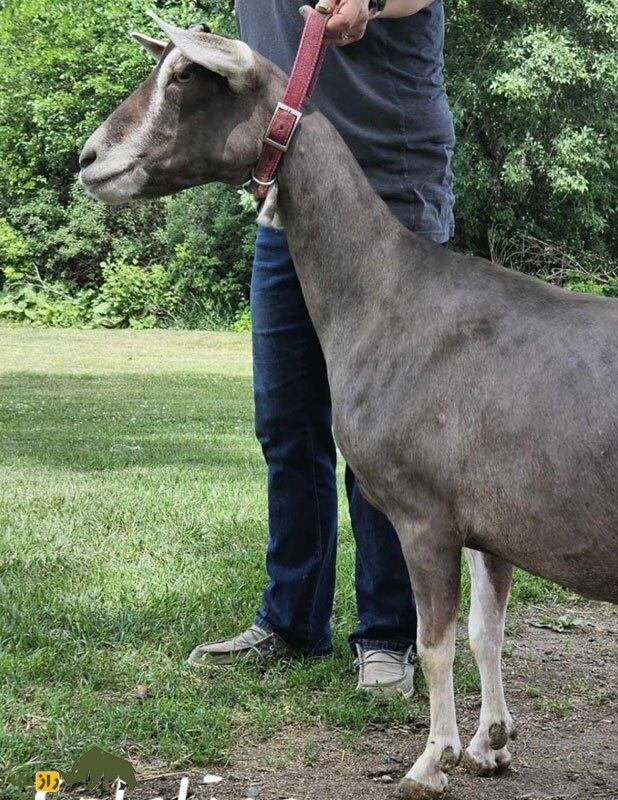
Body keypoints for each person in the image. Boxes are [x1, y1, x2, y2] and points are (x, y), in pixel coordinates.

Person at [187, 0, 455, 698]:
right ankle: (292, 621)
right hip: (291, 201)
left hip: (389, 193)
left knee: (385, 433)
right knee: (288, 420)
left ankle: (390, 635)